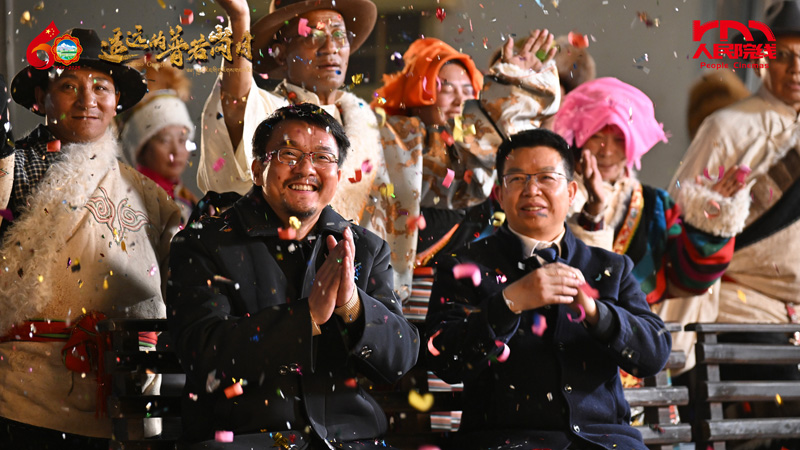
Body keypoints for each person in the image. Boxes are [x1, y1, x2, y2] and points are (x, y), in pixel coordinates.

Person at [167, 103, 419, 449]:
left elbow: (400, 359)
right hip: (245, 440)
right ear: (258, 169)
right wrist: (307, 317)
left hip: (351, 441)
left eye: (322, 157)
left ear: (338, 175)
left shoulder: (363, 248)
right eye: (289, 154)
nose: (306, 169)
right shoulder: (204, 243)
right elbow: (202, 352)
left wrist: (352, 307)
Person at [425, 129, 672, 450]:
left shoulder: (610, 267)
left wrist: (596, 313)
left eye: (546, 178)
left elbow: (654, 355)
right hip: (505, 442)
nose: (532, 190)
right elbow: (445, 360)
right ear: (499, 194)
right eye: (517, 179)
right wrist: (508, 303)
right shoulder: (463, 266)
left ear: (571, 192)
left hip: (604, 441)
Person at [0, 28, 181, 449]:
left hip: (126, 388)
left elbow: (179, 275)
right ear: (41, 99)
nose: (88, 100)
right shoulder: (14, 169)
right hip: (26, 394)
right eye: (68, 86)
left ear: (117, 101)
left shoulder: (148, 195)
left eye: (101, 87)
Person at [551, 78, 751, 370]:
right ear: (579, 137)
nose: (607, 151)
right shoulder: (551, 196)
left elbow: (687, 278)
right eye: (597, 135)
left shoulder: (654, 205)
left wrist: (710, 223)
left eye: (620, 138)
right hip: (561, 349)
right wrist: (592, 211)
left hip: (633, 355)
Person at [669, 0, 800, 329]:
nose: (795, 68)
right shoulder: (726, 127)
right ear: (759, 61)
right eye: (782, 55)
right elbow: (678, 219)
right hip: (740, 314)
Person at [120, 90, 199, 224]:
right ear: (143, 148)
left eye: (182, 140)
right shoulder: (131, 198)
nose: (176, 151)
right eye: (164, 141)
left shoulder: (186, 198)